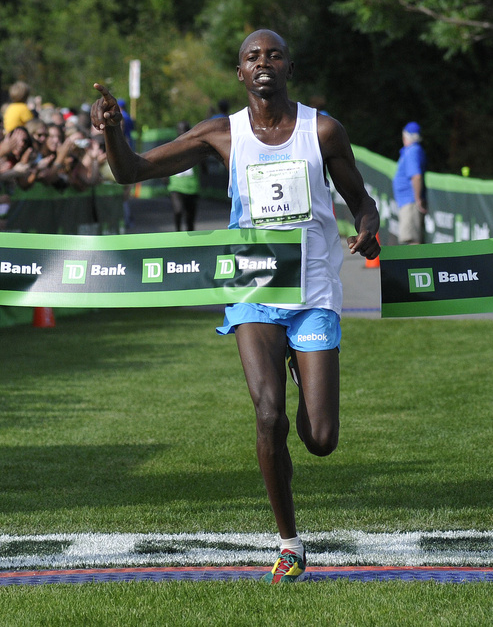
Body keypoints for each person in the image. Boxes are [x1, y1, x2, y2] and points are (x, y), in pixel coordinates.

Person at [91, 29, 380, 584]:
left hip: (314, 291)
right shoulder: (222, 135)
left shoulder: (323, 130)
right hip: (253, 289)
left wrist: (368, 227)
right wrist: (113, 132)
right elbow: (131, 171)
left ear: (289, 66)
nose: (263, 62)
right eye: (252, 57)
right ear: (240, 73)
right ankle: (289, 543)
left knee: (320, 440)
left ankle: (303, 368)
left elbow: (360, 199)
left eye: (273, 54)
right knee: (267, 413)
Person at [392, 121, 428, 244]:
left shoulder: (413, 151)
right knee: (409, 238)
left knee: (412, 240)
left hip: (411, 202)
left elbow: (416, 176)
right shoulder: (410, 151)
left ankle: (417, 264)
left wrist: (417, 200)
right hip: (407, 201)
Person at [167, 121, 201, 231]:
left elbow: (204, 167)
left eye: (185, 129)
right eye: (180, 129)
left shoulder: (197, 147)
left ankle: (190, 244)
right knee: (178, 211)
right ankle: (177, 233)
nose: (182, 132)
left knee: (190, 219)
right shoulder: (171, 146)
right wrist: (164, 176)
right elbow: (164, 163)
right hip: (176, 187)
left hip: (192, 187)